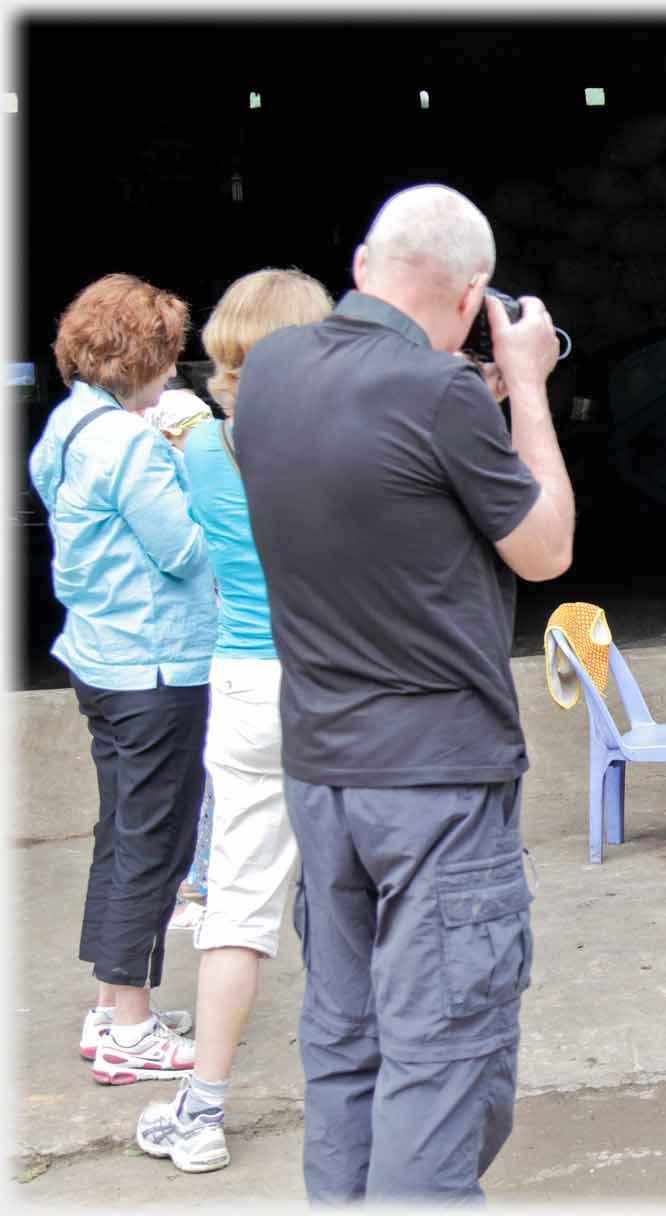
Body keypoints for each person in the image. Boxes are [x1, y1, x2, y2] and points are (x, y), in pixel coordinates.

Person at [235, 184, 574, 1200]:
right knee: (446, 1057)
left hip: (325, 773)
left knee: (345, 1044)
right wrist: (529, 387)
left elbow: (386, 493)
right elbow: (547, 547)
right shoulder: (443, 396)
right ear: (476, 294)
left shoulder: (271, 372)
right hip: (436, 782)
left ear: (361, 265)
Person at [133, 269, 334, 1175]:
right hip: (344, 686)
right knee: (355, 899)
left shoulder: (200, 447)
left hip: (249, 684)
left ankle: (202, 1112)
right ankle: (362, 1093)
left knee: (238, 911)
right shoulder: (349, 445)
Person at [28, 274, 215, 1083]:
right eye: (169, 360)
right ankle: (132, 1029)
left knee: (122, 830)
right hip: (155, 665)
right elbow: (183, 550)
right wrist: (198, 476)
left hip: (102, 657)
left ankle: (111, 1007)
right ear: (142, 358)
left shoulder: (68, 425)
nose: (174, 376)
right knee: (156, 841)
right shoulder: (132, 442)